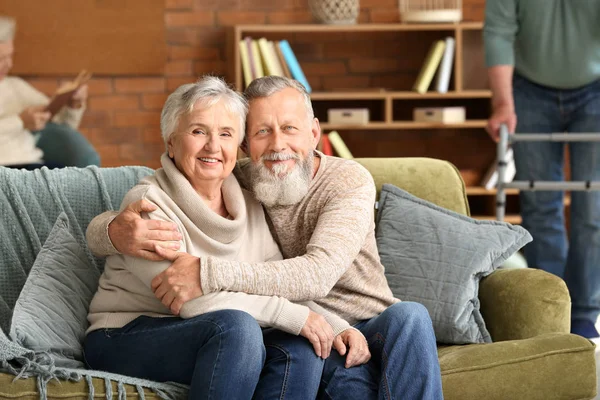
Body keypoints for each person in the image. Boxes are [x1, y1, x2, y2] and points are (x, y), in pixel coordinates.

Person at [87, 76, 443, 399]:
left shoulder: (301, 186)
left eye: (225, 133)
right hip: (152, 329)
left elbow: (311, 274)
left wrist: (330, 325)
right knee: (258, 337)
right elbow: (184, 296)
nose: (277, 145)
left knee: (407, 316)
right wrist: (109, 231)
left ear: (314, 133)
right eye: (198, 131)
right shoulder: (233, 184)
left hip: (348, 318)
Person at [484, 0, 600, 339]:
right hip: (529, 89)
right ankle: (549, 312)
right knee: (540, 204)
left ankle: (582, 314)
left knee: (593, 208)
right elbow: (499, 32)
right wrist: (503, 104)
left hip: (595, 87)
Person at [0, 16, 99, 169]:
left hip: (32, 165)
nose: (9, 64)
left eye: (10, 56)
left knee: (77, 178)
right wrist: (20, 122)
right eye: (1, 59)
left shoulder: (16, 87)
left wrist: (73, 105)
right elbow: (21, 122)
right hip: (6, 169)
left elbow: (62, 125)